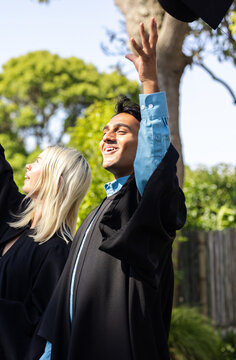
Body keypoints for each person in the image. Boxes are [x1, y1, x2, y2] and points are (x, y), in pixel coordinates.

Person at [36, 18, 187, 360]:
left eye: (121, 131)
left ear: (143, 140)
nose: (107, 137)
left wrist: (148, 80)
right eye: (105, 131)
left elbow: (156, 165)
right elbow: (63, 304)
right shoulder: (95, 215)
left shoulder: (141, 202)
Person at [0, 58, 92, 360]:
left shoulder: (57, 249)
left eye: (37, 163)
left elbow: (47, 326)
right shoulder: (15, 219)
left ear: (56, 178)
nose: (28, 164)